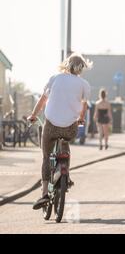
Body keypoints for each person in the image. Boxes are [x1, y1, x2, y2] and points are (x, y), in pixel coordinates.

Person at [28, 53, 91, 210]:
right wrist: (81, 118)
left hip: (51, 125)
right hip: (70, 127)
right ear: (81, 68)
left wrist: (33, 115)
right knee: (65, 143)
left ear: (67, 64)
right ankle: (65, 174)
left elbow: (43, 99)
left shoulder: (55, 78)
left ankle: (44, 194)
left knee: (45, 156)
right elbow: (84, 105)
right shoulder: (84, 84)